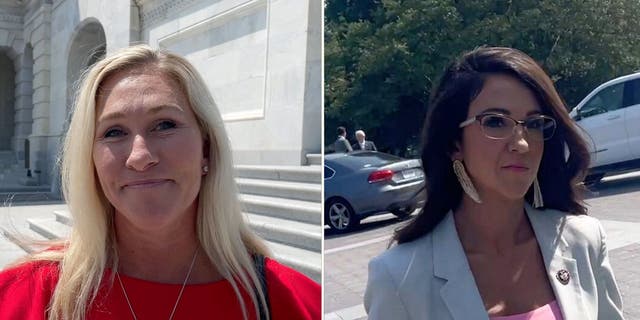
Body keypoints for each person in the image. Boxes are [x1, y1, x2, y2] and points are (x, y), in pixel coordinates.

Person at [0, 45, 320, 320]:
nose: (140, 156)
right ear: (91, 159)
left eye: (164, 124)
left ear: (206, 148)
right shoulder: (23, 296)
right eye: (114, 132)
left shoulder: (295, 301)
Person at [364, 47, 623, 319]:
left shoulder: (583, 240)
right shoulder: (398, 278)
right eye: (496, 122)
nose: (522, 144)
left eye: (534, 124)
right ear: (454, 143)